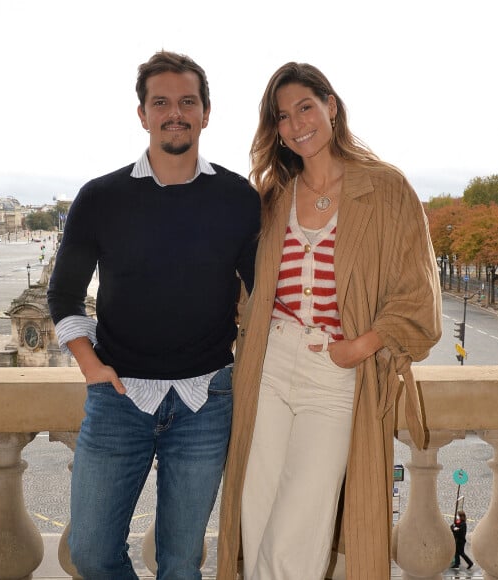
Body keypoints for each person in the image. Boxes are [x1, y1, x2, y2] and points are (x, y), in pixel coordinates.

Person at [217, 62, 442, 580]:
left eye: (305, 108)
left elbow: (418, 296)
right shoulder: (273, 196)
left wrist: (360, 346)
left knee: (299, 526)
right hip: (269, 368)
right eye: (282, 116)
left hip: (335, 373)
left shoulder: (386, 189)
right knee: (255, 511)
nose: (296, 125)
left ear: (331, 106)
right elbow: (241, 284)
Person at [47, 50, 261, 580]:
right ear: (142, 114)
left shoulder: (240, 198)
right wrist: (90, 366)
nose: (175, 112)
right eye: (160, 102)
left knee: (182, 563)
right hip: (119, 399)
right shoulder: (100, 197)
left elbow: (265, 294)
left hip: (206, 400)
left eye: (188, 101)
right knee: (93, 555)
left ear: (206, 113)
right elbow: (64, 294)